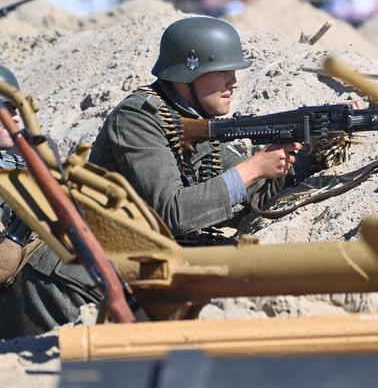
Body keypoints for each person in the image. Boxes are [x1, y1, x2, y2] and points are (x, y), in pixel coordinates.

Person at [89, 17, 312, 245]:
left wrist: (315, 144)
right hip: (96, 269)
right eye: (222, 72)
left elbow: (259, 198)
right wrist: (254, 168)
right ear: (188, 75)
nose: (233, 82)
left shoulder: (193, 120)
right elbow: (171, 213)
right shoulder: (137, 118)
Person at [0, 65, 101, 340]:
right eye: (1, 109)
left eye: (13, 107)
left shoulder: (36, 149)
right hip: (23, 273)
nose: (10, 116)